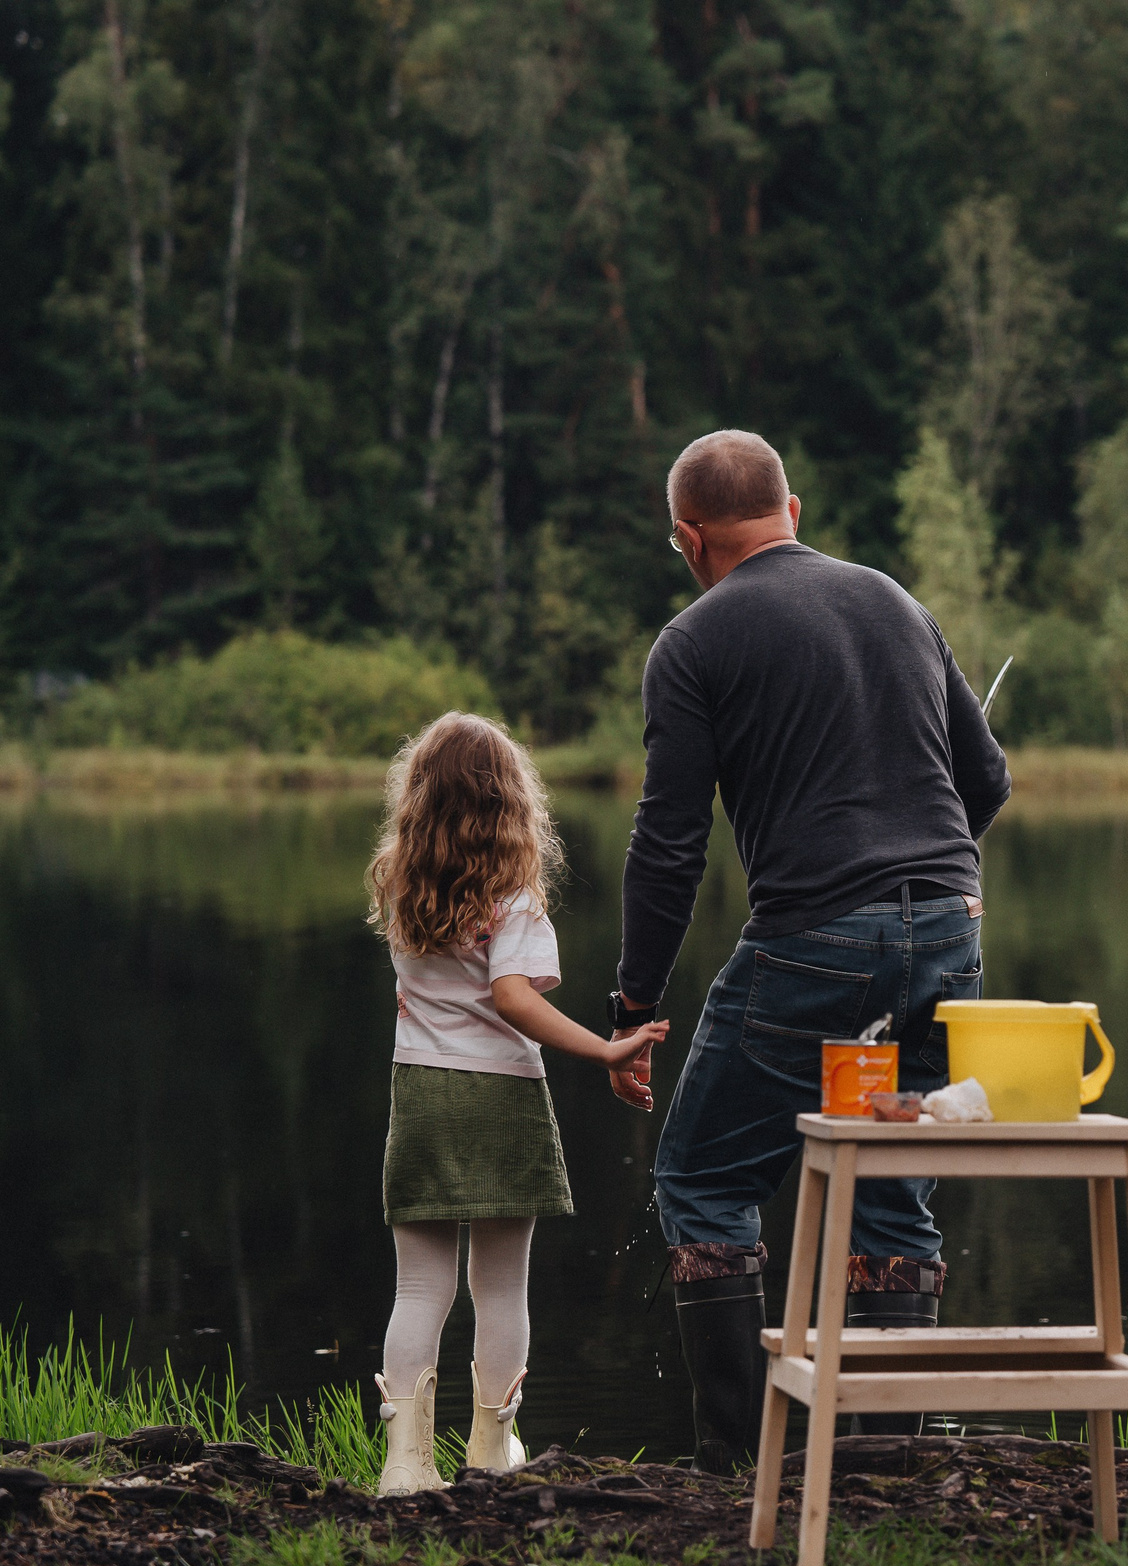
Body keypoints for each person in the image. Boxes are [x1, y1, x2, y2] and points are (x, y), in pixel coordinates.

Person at [606, 429, 1011, 1472]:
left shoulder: (693, 640)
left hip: (815, 943)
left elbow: (669, 843)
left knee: (701, 1177)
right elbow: (988, 782)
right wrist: (929, 883)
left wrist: (634, 1005)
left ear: (688, 538)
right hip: (951, 938)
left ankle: (743, 1462)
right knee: (890, 1178)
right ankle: (885, 1460)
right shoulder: (894, 600)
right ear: (790, 513)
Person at [364, 712, 669, 1495]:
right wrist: (605, 1047)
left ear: (419, 798)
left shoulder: (401, 883)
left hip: (421, 1093)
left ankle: (405, 1464)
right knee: (500, 1286)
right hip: (501, 1094)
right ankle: (491, 1451)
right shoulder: (513, 899)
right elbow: (511, 998)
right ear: (512, 806)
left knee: (418, 1289)